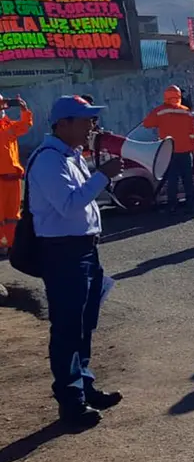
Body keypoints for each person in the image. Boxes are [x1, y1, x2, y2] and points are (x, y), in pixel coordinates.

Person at [28, 95, 124, 428]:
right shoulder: (48, 161)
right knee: (68, 328)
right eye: (85, 121)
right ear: (63, 124)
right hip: (63, 253)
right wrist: (103, 176)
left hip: (82, 250)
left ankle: (84, 388)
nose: (91, 128)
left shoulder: (68, 156)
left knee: (83, 325)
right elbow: (69, 205)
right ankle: (71, 403)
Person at [142, 85, 194, 214]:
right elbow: (193, 133)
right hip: (186, 151)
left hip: (170, 152)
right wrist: (193, 148)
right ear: (179, 96)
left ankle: (172, 205)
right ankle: (192, 204)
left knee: (172, 180)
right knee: (188, 180)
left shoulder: (160, 111)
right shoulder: (186, 111)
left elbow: (147, 124)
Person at [0, 93, 32, 252]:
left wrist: (24, 109)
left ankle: (13, 243)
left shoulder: (9, 126)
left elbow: (25, 125)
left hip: (13, 178)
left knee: (13, 215)